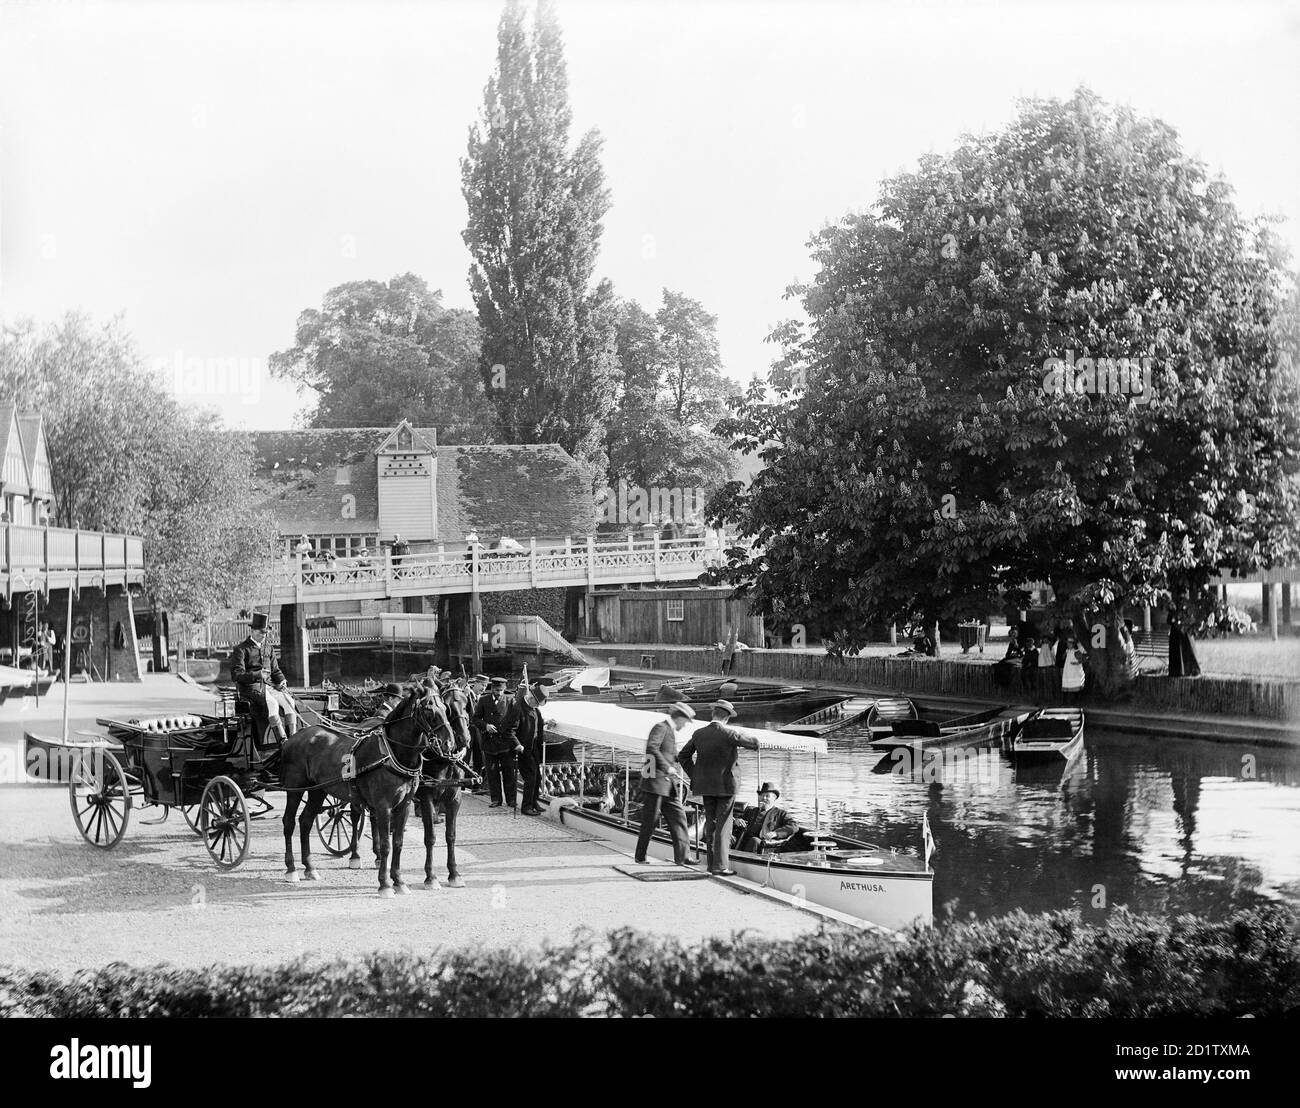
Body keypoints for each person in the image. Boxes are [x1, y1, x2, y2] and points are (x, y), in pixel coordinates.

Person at [677, 699, 759, 877]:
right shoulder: (730, 734)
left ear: (713, 714)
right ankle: (721, 866)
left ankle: (712, 864)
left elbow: (683, 756)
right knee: (724, 825)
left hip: (705, 787)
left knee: (711, 824)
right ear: (727, 718)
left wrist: (696, 774)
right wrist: (744, 733)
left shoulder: (698, 734)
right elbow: (755, 744)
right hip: (726, 787)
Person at [634, 703, 695, 865]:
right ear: (680, 717)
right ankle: (640, 856)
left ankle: (683, 857)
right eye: (685, 721)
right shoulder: (661, 727)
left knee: (679, 818)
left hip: (667, 786)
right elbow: (651, 748)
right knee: (650, 821)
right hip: (655, 783)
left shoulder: (670, 732)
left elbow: (668, 754)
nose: (685, 725)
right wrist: (666, 766)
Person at [230, 615, 300, 743]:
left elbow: (275, 670)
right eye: (261, 632)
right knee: (272, 703)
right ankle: (282, 740)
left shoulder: (269, 648)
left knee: (289, 701)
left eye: (265, 632)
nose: (264, 635)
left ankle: (293, 740)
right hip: (250, 688)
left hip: (269, 686)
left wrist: (281, 680)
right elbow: (237, 675)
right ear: (252, 631)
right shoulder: (241, 649)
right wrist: (257, 675)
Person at [506, 679, 550, 815]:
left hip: (534, 747)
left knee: (537, 777)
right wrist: (517, 745)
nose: (537, 706)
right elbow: (509, 731)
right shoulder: (518, 708)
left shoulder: (534, 708)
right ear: (531, 699)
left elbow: (539, 724)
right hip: (523, 749)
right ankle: (526, 807)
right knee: (530, 777)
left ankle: (533, 801)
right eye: (537, 703)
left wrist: (548, 723)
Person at [475, 675, 516, 810]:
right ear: (492, 688)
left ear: (504, 690)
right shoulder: (483, 700)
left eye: (501, 691)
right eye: (497, 690)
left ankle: (511, 799)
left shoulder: (510, 701)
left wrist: (507, 731)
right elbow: (475, 719)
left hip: (505, 743)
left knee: (508, 772)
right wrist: (485, 726)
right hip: (489, 743)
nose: (499, 693)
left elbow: (515, 721)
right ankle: (496, 799)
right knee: (492, 773)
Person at [733, 782, 802, 854]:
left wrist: (776, 833)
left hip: (762, 846)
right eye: (762, 795)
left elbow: (794, 826)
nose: (764, 798)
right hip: (741, 841)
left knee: (754, 841)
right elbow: (735, 821)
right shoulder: (751, 810)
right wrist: (736, 821)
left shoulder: (781, 813)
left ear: (774, 798)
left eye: (767, 796)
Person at [1168, 610, 1201, 678]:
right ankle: (1180, 670)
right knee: (1179, 650)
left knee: (1187, 648)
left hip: (1184, 629)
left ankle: (1188, 670)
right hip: (1178, 630)